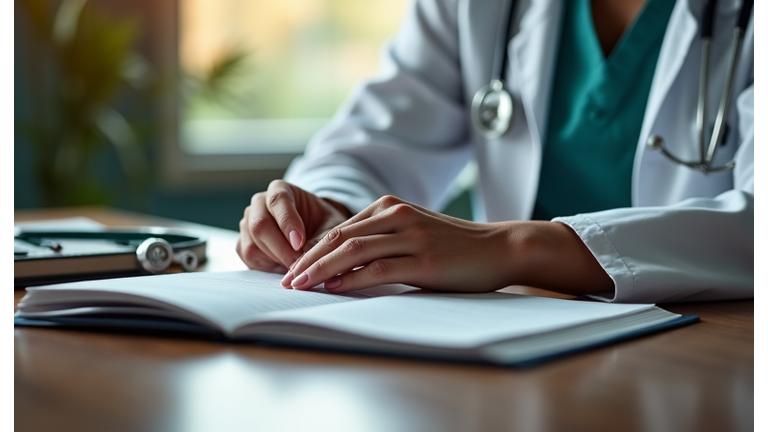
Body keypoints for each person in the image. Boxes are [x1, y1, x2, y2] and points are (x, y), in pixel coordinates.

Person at [236, 0, 753, 303]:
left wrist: (515, 248)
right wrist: (332, 211)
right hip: (525, 346)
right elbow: (374, 140)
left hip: (710, 354)